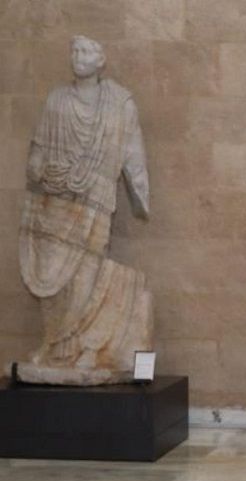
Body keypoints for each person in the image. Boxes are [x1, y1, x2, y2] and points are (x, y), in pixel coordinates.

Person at [17, 35, 152, 385]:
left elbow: (132, 148)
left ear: (101, 59)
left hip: (95, 197)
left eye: (87, 51)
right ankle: (53, 346)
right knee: (53, 276)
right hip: (56, 198)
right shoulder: (57, 99)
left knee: (86, 273)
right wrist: (38, 168)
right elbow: (38, 147)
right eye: (75, 51)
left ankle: (83, 347)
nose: (79, 56)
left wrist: (140, 190)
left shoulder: (119, 102)